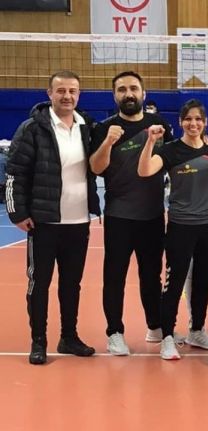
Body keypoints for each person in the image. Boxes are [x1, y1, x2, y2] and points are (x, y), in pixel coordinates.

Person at [5, 70, 100, 364]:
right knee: (39, 283)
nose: (67, 96)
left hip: (79, 222)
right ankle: (39, 341)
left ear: (79, 95)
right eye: (61, 91)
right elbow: (14, 173)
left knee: (71, 284)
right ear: (49, 94)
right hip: (44, 222)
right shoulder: (32, 128)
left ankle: (68, 337)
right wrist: (17, 212)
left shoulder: (87, 127)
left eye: (72, 91)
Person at [89, 71, 174, 355]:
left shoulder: (159, 125)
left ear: (143, 93)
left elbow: (174, 160)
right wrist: (108, 142)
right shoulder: (104, 128)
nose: (128, 94)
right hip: (119, 216)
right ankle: (114, 332)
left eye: (134, 88)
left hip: (153, 215)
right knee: (115, 277)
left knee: (151, 276)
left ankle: (155, 327)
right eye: (122, 89)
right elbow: (96, 168)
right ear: (114, 95)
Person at [138, 99, 208, 360]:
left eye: (198, 119)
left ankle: (197, 330)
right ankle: (167, 337)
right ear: (180, 122)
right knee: (174, 283)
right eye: (188, 119)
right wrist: (150, 142)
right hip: (181, 226)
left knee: (203, 282)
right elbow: (144, 171)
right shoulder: (170, 150)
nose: (193, 123)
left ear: (205, 122)